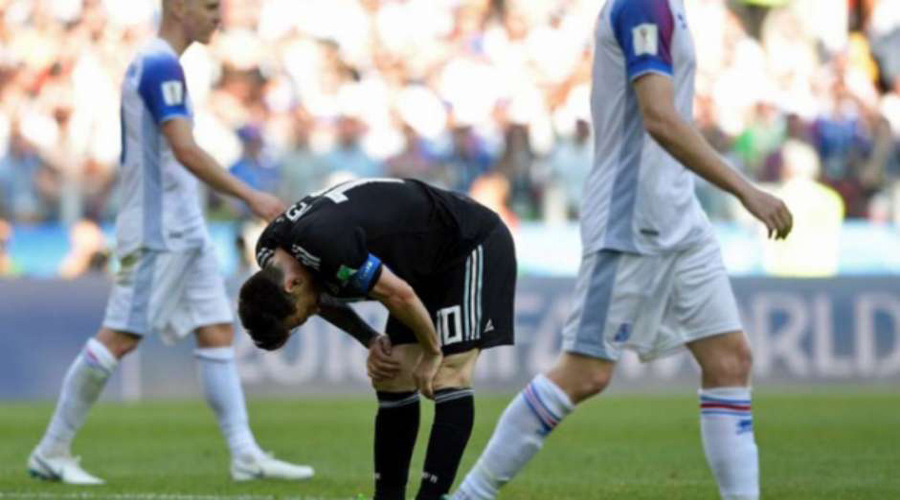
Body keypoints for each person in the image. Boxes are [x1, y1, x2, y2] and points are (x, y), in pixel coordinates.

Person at [450, 1, 793, 500]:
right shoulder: (642, 5)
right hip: (631, 219)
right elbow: (659, 117)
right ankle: (470, 495)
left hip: (680, 217)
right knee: (586, 372)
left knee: (729, 358)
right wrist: (746, 189)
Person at [28, 0, 312, 485]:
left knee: (216, 330)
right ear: (179, 7)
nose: (217, 16)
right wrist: (248, 195)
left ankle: (244, 454)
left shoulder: (163, 65)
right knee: (122, 334)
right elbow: (184, 148)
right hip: (157, 230)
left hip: (186, 226)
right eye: (209, 6)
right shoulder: (159, 65)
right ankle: (51, 450)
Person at [238, 178, 517, 500]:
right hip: (420, 264)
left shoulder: (327, 243)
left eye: (300, 317)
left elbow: (399, 295)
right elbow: (322, 298)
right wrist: (370, 339)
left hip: (466, 242)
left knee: (449, 373)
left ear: (291, 285)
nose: (314, 311)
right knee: (393, 372)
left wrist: (432, 351)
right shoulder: (271, 254)